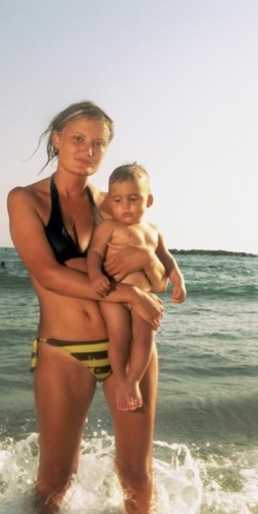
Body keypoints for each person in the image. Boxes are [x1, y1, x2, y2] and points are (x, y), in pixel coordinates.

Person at [7, 101, 167, 514]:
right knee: (55, 480)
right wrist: (130, 293)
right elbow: (48, 273)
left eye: (98, 143)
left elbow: (158, 274)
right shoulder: (27, 200)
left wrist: (145, 263)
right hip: (64, 350)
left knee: (137, 475)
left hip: (130, 348)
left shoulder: (113, 204)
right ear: (56, 138)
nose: (87, 150)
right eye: (78, 139)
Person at [87, 164, 185, 412]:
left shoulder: (154, 231)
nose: (125, 206)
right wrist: (96, 274)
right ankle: (120, 380)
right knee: (119, 335)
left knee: (145, 336)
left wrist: (178, 281)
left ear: (149, 200)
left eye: (133, 199)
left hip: (144, 296)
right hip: (115, 296)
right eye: (118, 200)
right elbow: (95, 253)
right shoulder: (108, 227)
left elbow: (166, 259)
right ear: (109, 203)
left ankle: (133, 382)